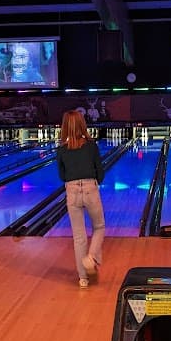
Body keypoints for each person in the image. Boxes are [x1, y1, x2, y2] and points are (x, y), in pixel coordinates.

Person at [57, 110, 105, 289]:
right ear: (82, 124)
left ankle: (83, 279)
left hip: (72, 191)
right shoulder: (91, 146)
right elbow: (100, 171)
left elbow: (62, 175)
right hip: (90, 188)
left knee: (79, 237)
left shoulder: (61, 149)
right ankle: (91, 258)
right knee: (99, 227)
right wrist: (94, 182)